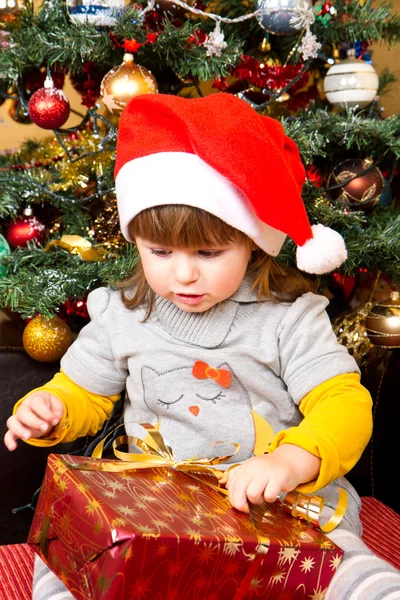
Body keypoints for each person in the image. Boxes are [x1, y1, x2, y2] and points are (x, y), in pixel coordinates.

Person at [5, 93, 400, 600]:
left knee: (342, 566)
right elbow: (85, 392)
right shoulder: (120, 312)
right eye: (160, 251)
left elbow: (345, 404)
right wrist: (52, 409)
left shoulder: (288, 319)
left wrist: (292, 460)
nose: (184, 273)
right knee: (62, 553)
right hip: (156, 509)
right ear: (136, 242)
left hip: (279, 507)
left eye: (210, 252)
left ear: (252, 242)